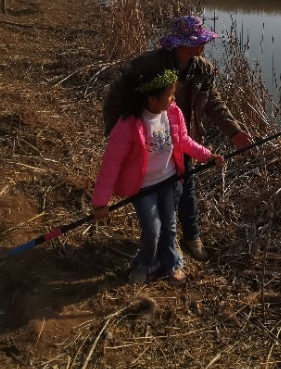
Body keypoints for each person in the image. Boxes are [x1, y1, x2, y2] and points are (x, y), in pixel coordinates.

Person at [103, 15, 253, 262]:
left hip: (183, 139)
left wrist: (234, 132)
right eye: (197, 41)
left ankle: (191, 236)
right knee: (157, 193)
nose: (202, 46)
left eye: (202, 41)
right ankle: (166, 240)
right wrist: (116, 133)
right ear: (180, 45)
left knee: (186, 189)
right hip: (151, 141)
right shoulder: (147, 66)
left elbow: (214, 104)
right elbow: (117, 98)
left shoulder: (203, 69)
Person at [93, 68, 224, 284]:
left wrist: (208, 155)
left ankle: (171, 263)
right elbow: (111, 165)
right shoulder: (128, 124)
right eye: (170, 94)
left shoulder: (173, 113)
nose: (174, 98)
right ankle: (145, 264)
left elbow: (184, 141)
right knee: (153, 230)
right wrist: (100, 202)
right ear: (152, 99)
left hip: (169, 181)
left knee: (170, 227)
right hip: (143, 187)